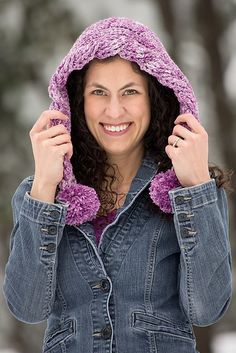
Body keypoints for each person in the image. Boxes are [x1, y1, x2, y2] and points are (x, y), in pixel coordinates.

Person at [3, 17, 232, 353]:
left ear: (155, 97)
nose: (114, 110)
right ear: (77, 101)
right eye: (98, 92)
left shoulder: (190, 189)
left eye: (130, 92)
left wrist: (195, 188)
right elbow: (27, 308)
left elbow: (207, 309)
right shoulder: (40, 193)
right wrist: (44, 190)